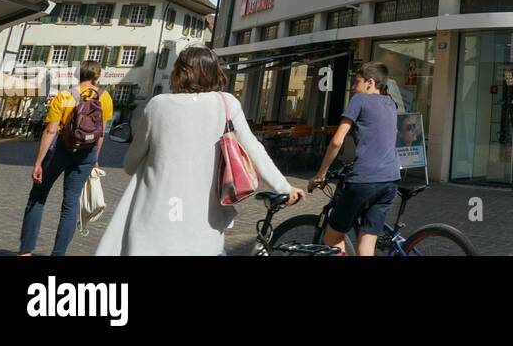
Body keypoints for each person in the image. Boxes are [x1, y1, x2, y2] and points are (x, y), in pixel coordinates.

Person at [95, 47, 302, 255]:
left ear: (179, 72)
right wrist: (284, 187)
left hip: (153, 222)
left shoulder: (157, 105)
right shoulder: (226, 103)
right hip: (203, 224)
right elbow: (254, 149)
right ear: (215, 72)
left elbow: (130, 164)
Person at [18, 60, 113, 255]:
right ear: (97, 76)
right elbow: (101, 133)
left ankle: (26, 250)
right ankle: (58, 253)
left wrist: (38, 163)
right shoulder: (105, 98)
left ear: (78, 74)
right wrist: (95, 157)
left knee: (38, 197)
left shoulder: (65, 96)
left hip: (61, 150)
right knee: (70, 204)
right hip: (87, 153)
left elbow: (51, 130)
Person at [310, 62, 399, 256]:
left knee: (332, 236)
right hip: (390, 181)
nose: (352, 87)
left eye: (356, 82)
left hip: (364, 180)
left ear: (370, 82)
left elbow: (336, 141)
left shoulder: (360, 100)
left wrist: (321, 174)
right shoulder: (391, 103)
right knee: (366, 245)